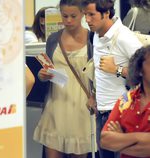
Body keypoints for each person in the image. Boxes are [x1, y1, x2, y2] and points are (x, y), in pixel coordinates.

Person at [33, 0, 95, 158]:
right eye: (64, 15)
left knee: (79, 153)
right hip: (56, 105)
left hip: (82, 107)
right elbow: (49, 69)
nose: (68, 20)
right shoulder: (54, 39)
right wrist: (43, 75)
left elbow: (99, 74)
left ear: (82, 13)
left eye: (73, 16)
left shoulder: (92, 39)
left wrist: (95, 96)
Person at [81, 0, 143, 158]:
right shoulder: (95, 35)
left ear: (106, 13)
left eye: (91, 15)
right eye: (85, 14)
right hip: (101, 113)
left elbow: (146, 72)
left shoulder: (124, 37)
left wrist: (117, 69)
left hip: (122, 114)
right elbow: (99, 73)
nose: (87, 20)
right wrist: (94, 96)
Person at [100, 45, 150, 158]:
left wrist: (122, 138)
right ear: (140, 70)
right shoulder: (126, 100)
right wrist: (141, 140)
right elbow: (104, 140)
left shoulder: (124, 36)